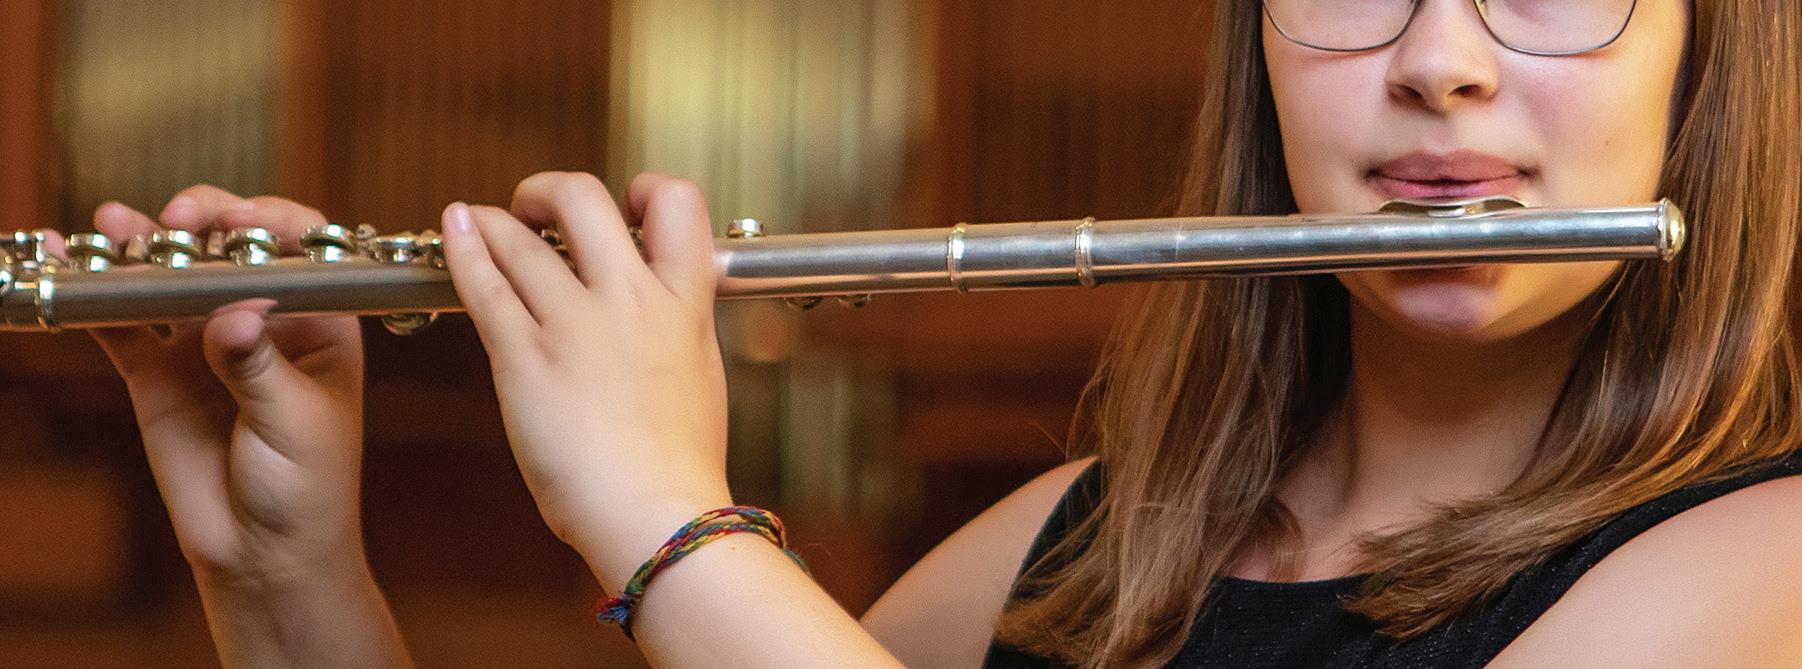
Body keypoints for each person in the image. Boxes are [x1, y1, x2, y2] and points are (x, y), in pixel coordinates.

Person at [58, 0, 1802, 666]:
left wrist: (667, 519)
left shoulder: (1760, 571)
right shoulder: (1072, 545)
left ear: (1703, 62)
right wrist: (283, 575)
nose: (1440, 59)